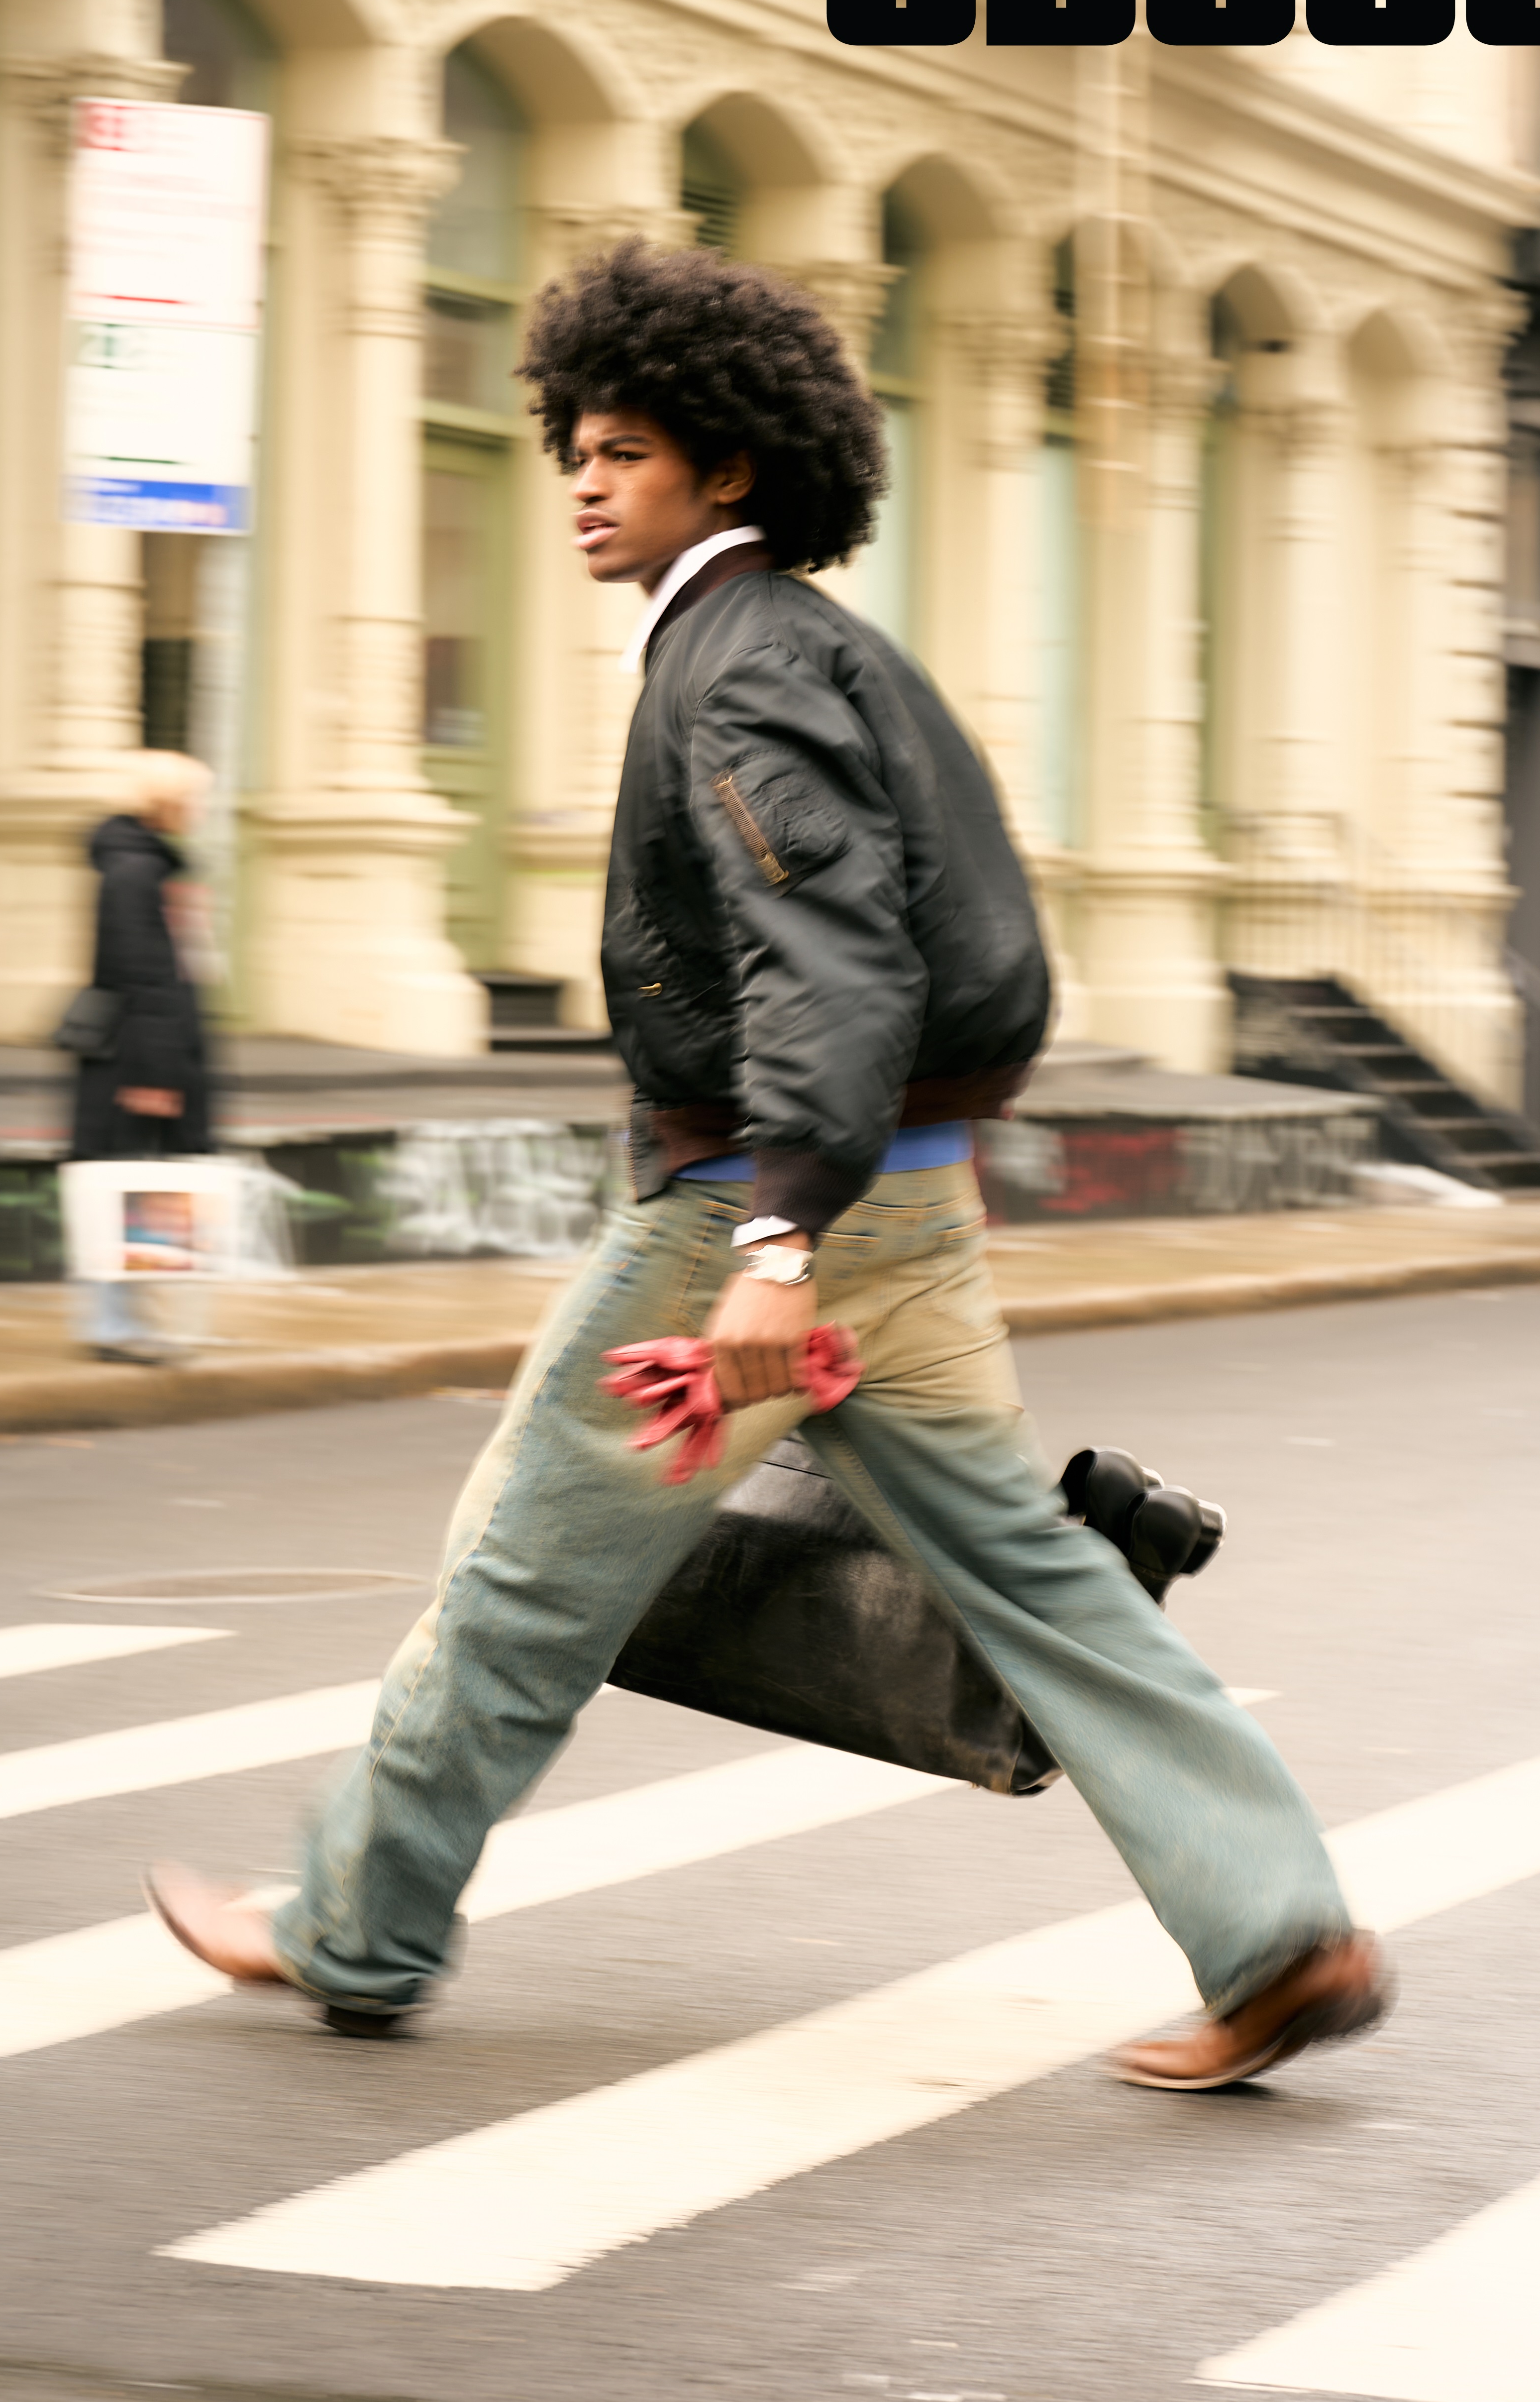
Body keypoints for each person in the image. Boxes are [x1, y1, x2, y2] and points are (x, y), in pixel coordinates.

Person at [146, 243, 1389, 2091]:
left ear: (726, 468)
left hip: (757, 1209)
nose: (583, 482)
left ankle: (359, 1924)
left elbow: (829, 955)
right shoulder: (818, 646)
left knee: (526, 1563)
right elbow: (928, 943)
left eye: (624, 452)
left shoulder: (734, 667)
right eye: (575, 448)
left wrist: (779, 1240)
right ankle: (1278, 1928)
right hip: (905, 1201)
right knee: (1030, 1576)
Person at [68, 749, 215, 1362]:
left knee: (136, 1186)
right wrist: (156, 1073)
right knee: (124, 1185)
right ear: (166, 800)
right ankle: (113, 1326)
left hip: (146, 1053)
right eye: (194, 797)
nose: (200, 809)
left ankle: (125, 1320)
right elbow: (138, 974)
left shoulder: (146, 863)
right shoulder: (136, 869)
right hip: (136, 1061)